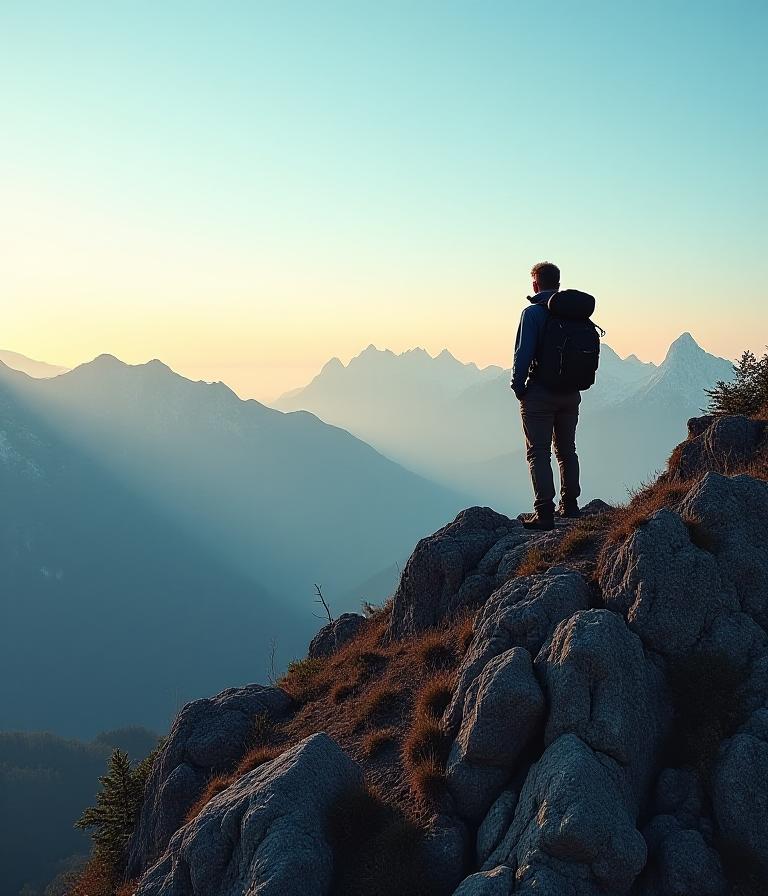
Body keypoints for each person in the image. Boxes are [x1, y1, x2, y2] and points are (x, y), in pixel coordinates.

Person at [511, 261, 582, 531]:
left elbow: (523, 354)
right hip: (571, 394)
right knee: (567, 450)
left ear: (534, 285)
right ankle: (571, 505)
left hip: (540, 394)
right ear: (559, 283)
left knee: (538, 452)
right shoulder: (575, 313)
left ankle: (544, 513)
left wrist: (519, 388)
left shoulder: (532, 314)